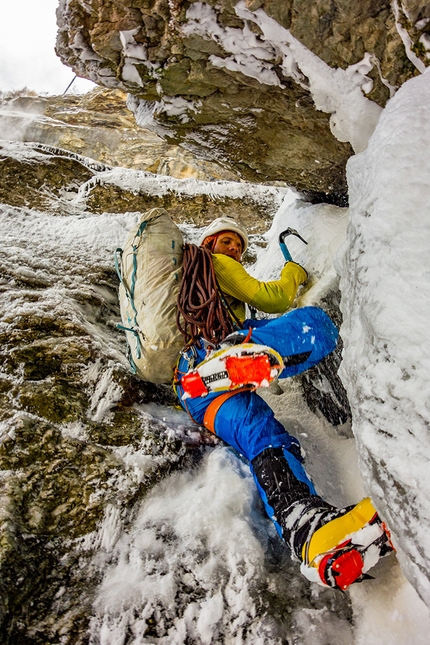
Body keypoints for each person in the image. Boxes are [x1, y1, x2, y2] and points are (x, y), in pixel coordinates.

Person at [174, 217, 393, 590]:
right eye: (227, 241)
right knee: (316, 326)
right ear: (209, 241)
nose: (233, 251)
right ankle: (228, 357)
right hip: (208, 356)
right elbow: (270, 297)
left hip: (196, 394)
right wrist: (294, 273)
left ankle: (309, 531)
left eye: (239, 248)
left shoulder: (191, 280)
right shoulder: (212, 262)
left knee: (266, 439)